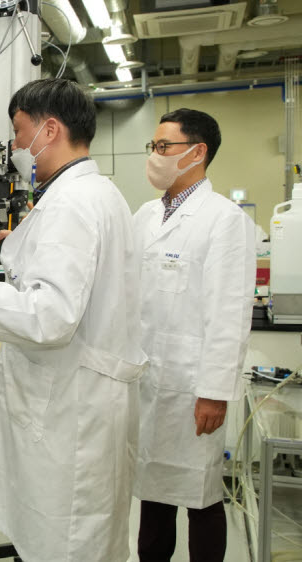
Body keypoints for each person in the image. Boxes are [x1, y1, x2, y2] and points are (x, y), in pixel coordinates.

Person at [0, 78, 147, 561]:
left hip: (71, 410)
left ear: (49, 130)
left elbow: (51, 316)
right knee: (80, 538)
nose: (14, 146)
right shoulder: (96, 194)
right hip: (85, 400)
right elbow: (75, 280)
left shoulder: (71, 203)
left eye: (18, 131)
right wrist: (16, 246)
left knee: (66, 542)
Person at [133, 109, 254, 562]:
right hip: (147, 381)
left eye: (164, 147)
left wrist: (215, 392)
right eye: (154, 147)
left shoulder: (224, 220)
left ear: (197, 152)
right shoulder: (145, 215)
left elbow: (229, 312)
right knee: (153, 491)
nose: (155, 156)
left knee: (200, 495)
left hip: (192, 388)